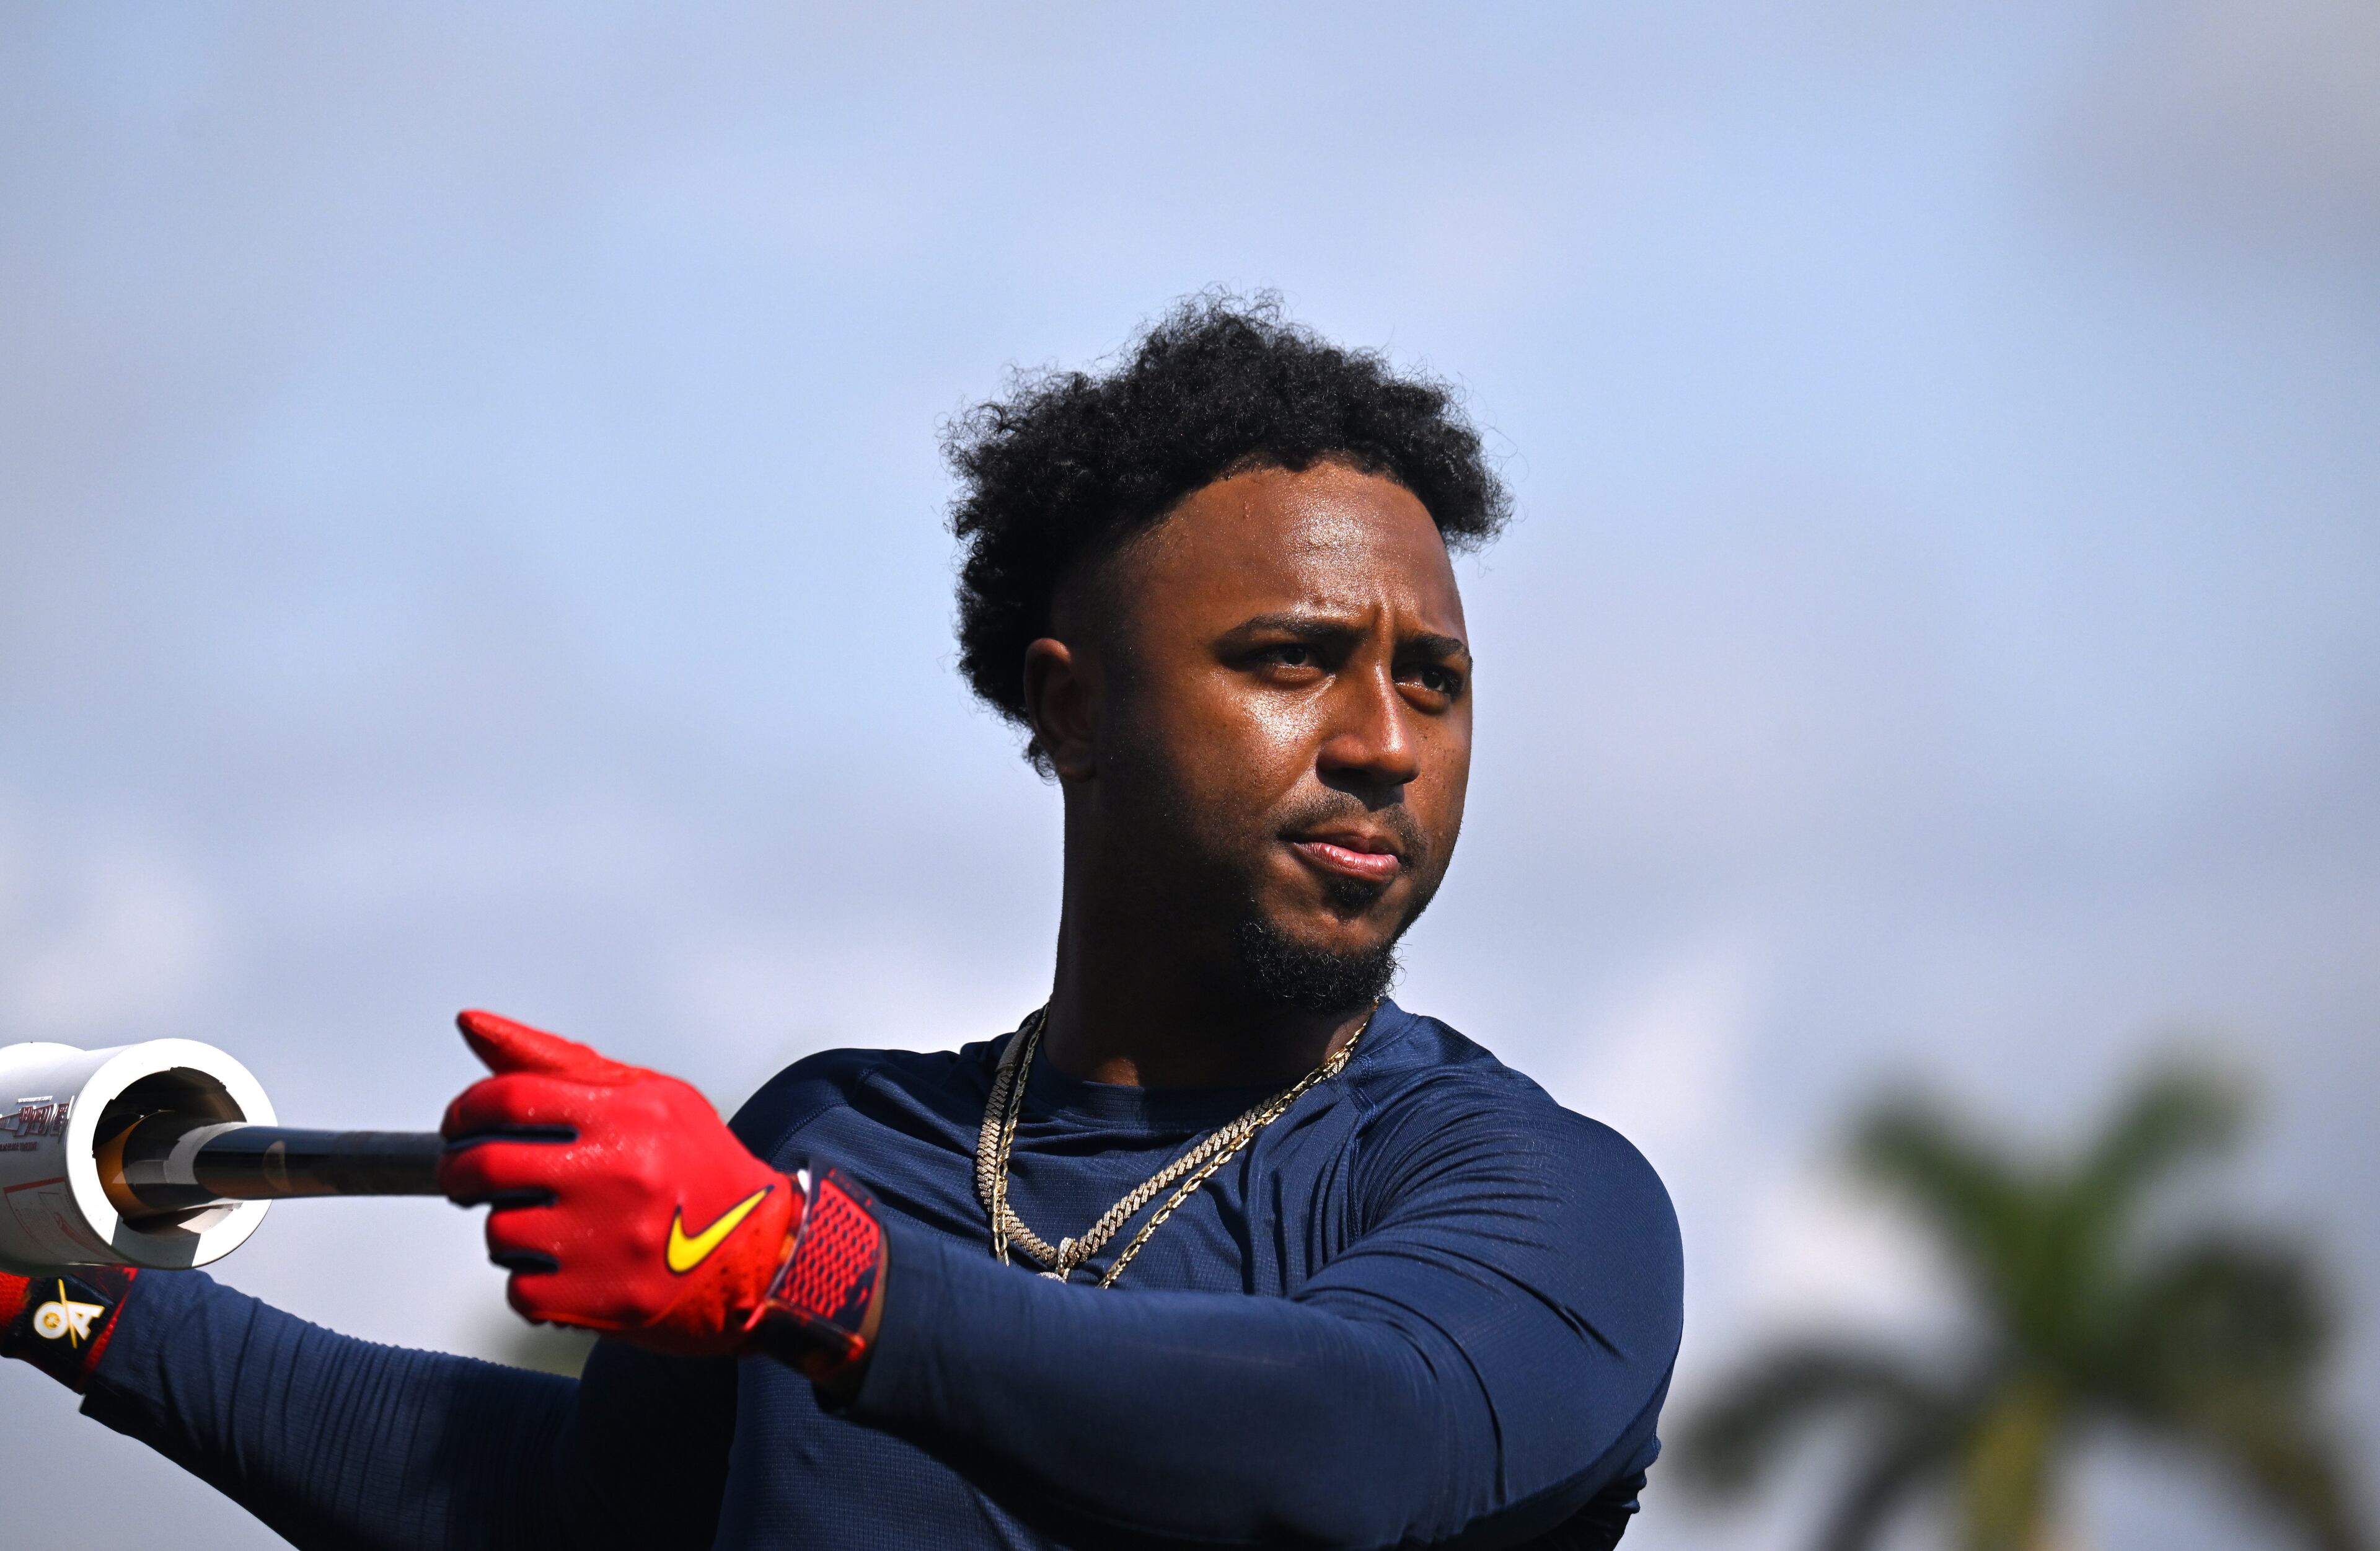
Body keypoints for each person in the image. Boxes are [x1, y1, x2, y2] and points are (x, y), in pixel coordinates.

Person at [1, 298, 1682, 1549]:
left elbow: (1354, 1444)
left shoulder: (1534, 1197)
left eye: (1436, 683)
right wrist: (58, 1299)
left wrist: (796, 1268)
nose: (1387, 742)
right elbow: (586, 1524)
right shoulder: (835, 1138)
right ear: (1071, 710)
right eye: (1292, 659)